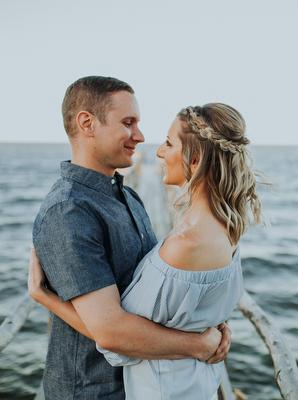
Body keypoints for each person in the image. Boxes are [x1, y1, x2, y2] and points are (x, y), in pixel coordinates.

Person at [29, 101, 268, 399]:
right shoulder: (227, 229)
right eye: (128, 123)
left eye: (169, 143)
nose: (150, 144)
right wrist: (205, 333)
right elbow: (125, 329)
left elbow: (116, 336)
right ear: (87, 123)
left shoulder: (175, 232)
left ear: (195, 159)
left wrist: (44, 296)